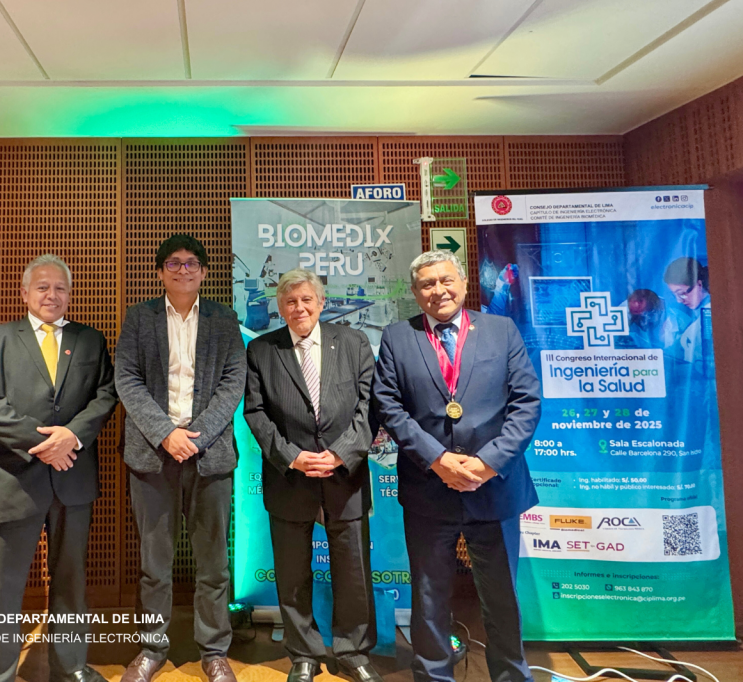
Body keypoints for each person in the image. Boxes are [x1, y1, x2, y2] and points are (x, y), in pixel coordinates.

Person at [372, 250, 541, 682]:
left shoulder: (502, 330)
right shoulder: (397, 337)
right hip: (429, 488)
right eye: (427, 284)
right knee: (429, 596)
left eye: (446, 280)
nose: (439, 290)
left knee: (502, 595)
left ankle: (511, 675)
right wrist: (437, 459)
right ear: (415, 293)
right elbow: (389, 407)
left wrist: (488, 463)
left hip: (495, 486)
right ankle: (433, 675)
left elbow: (526, 403)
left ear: (464, 284)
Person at [0, 254, 118, 682]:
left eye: (60, 288)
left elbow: (106, 395)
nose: (52, 295)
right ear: (24, 293)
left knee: (71, 581)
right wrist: (45, 445)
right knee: (2, 586)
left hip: (74, 478)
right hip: (14, 478)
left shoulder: (90, 340)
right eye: (43, 287)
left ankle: (70, 667)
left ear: (70, 294)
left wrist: (72, 436)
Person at [115, 234, 246, 682]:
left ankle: (215, 650)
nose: (183, 269)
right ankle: (152, 648)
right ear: (160, 272)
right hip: (152, 456)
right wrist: (166, 434)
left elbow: (233, 382)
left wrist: (197, 437)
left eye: (192, 263)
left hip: (210, 457)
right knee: (155, 564)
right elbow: (127, 379)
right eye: (174, 263)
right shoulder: (140, 317)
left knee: (214, 564)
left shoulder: (223, 319)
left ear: (204, 272)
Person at [243, 269, 379, 682]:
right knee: (292, 573)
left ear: (321, 303)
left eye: (306, 300)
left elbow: (370, 406)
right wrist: (292, 457)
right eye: (290, 301)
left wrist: (340, 454)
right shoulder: (262, 350)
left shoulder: (353, 342)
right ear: (280, 307)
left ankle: (353, 651)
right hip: (290, 477)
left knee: (353, 571)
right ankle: (303, 653)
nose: (298, 308)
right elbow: (256, 412)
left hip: (345, 475)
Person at [663, 256, 712, 363]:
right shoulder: (698, 317)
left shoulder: (711, 316)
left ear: (699, 284)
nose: (679, 300)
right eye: (674, 295)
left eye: (681, 294)